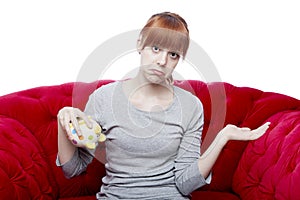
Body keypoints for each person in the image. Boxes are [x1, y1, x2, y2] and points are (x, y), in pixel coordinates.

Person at [56, 12, 270, 199]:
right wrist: (62, 119)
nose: (162, 61)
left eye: (173, 54)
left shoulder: (191, 106)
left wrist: (221, 138)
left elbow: (186, 183)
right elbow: (72, 169)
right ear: (140, 44)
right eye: (156, 48)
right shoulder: (103, 98)